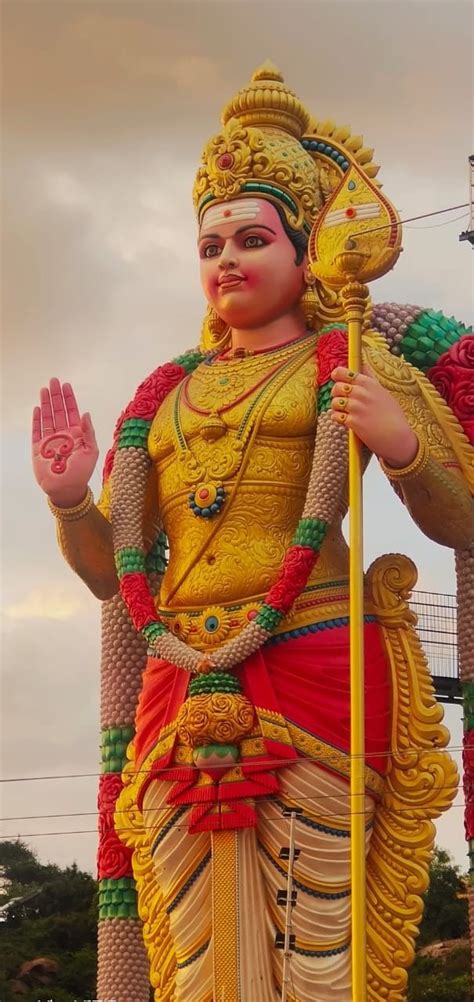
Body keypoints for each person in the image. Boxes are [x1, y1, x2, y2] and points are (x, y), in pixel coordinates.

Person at [32, 64, 474, 1002]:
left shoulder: (351, 358)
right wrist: (73, 501)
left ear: (311, 250)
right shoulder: (167, 395)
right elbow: (118, 575)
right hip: (178, 675)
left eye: (252, 238)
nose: (227, 259)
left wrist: (398, 444)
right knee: (191, 944)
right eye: (211, 243)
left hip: (315, 655)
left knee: (321, 929)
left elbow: (459, 514)